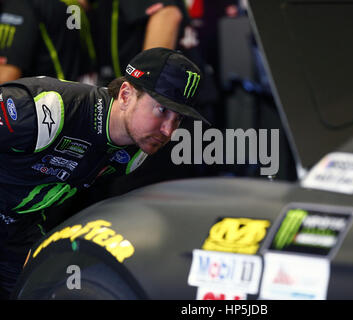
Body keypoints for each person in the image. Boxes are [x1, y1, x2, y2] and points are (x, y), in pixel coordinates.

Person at [0, 47, 206, 299]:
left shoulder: (134, 154)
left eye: (178, 119)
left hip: (18, 229)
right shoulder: (47, 109)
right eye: (162, 110)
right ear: (127, 94)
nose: (168, 131)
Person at [0, 0, 95, 83]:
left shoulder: (21, 5)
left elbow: (6, 77)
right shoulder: (73, 3)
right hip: (79, 90)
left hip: (45, 96)